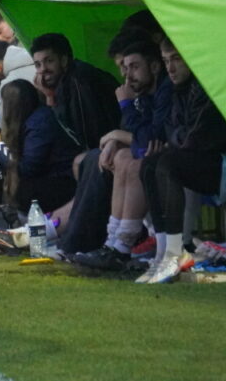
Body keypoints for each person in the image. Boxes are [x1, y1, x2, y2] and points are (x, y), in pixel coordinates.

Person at [138, 38, 226, 285]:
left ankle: (176, 253)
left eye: (176, 59)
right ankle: (163, 253)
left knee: (169, 164)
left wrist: (178, 139)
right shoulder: (179, 89)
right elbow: (175, 134)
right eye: (166, 61)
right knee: (150, 164)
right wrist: (179, 139)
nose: (170, 67)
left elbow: (197, 139)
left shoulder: (208, 86)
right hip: (218, 163)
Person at [71, 40, 171, 271]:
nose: (127, 76)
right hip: (158, 158)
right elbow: (137, 138)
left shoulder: (164, 91)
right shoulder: (143, 95)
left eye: (134, 67)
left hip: (178, 160)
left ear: (155, 67)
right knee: (122, 158)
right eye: (124, 68)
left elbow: (148, 140)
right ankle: (112, 243)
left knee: (136, 164)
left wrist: (124, 108)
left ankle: (123, 245)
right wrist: (117, 138)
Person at [0, 78, 79, 212]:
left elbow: (26, 168)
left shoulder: (39, 123)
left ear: (12, 105)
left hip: (63, 183)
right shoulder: (32, 119)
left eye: (2, 103)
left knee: (23, 192)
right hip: (57, 179)